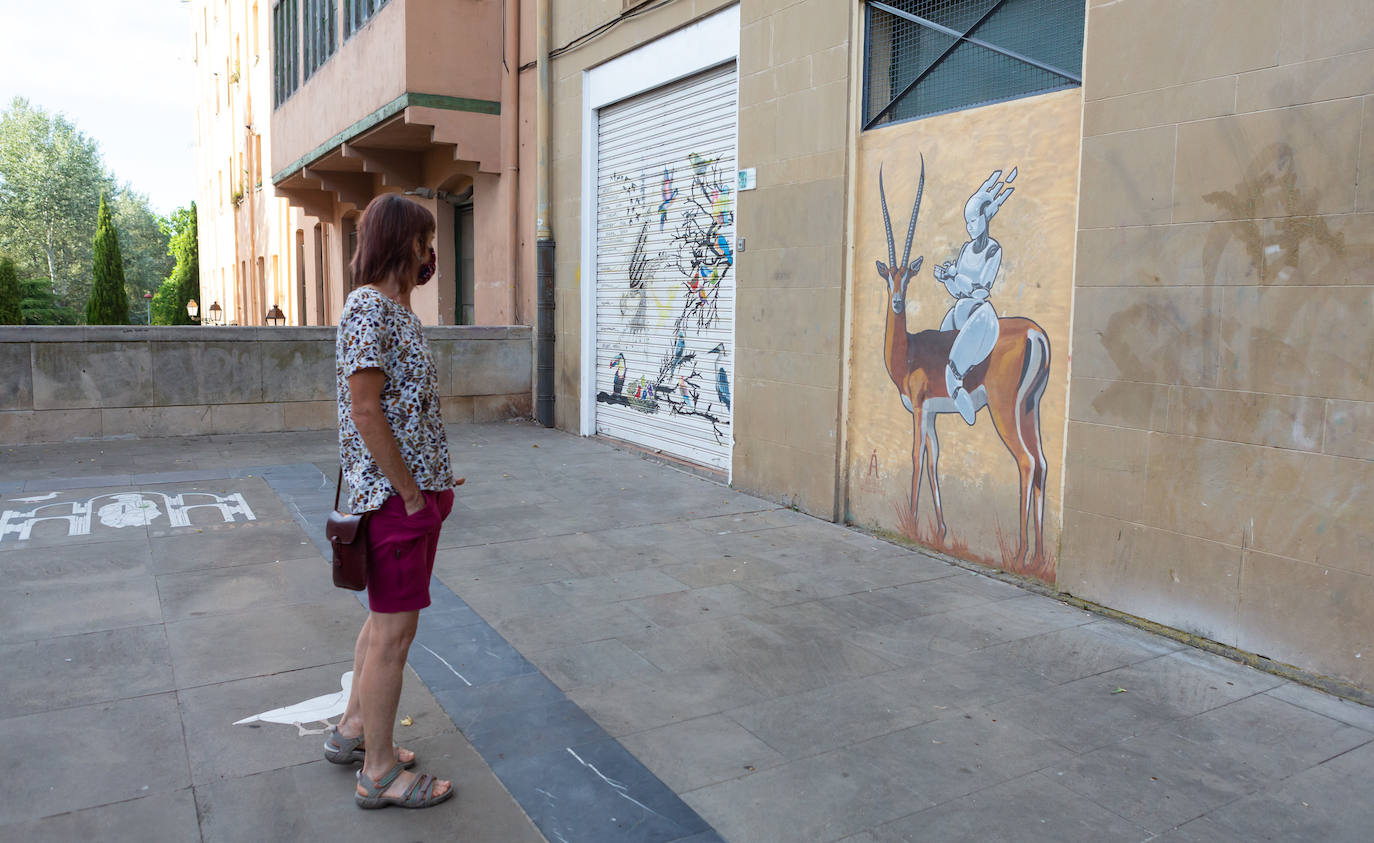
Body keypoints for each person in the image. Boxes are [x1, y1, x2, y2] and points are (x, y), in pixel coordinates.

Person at [324, 193, 457, 810]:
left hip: (413, 496)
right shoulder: (367, 308)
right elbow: (366, 410)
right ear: (401, 241)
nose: (432, 252)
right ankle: (378, 773)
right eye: (426, 240)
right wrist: (408, 490)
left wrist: (433, 476)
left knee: (382, 623)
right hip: (393, 503)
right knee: (394, 636)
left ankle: (355, 730)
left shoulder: (398, 311)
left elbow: (408, 411)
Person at [933, 167, 1016, 425]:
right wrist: (947, 278)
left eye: (973, 221)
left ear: (985, 217)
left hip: (981, 315)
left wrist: (956, 275)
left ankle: (965, 405)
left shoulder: (993, 249)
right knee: (936, 351)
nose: (970, 228)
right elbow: (959, 291)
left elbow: (981, 290)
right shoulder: (967, 249)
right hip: (960, 310)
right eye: (966, 223)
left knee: (952, 371)